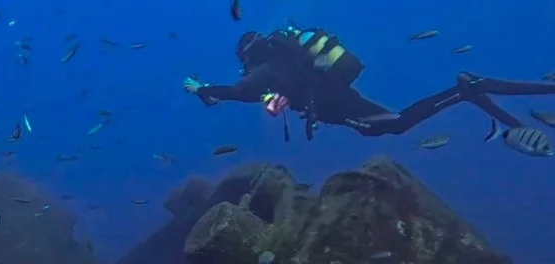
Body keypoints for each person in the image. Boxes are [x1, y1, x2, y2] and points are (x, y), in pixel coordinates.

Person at [184, 25, 555, 140]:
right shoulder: (283, 62)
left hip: (333, 103)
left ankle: (466, 89)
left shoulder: (265, 69)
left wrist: (200, 89)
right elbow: (271, 97)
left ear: (247, 55)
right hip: (337, 93)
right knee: (393, 121)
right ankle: (469, 91)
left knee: (393, 125)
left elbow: (238, 92)